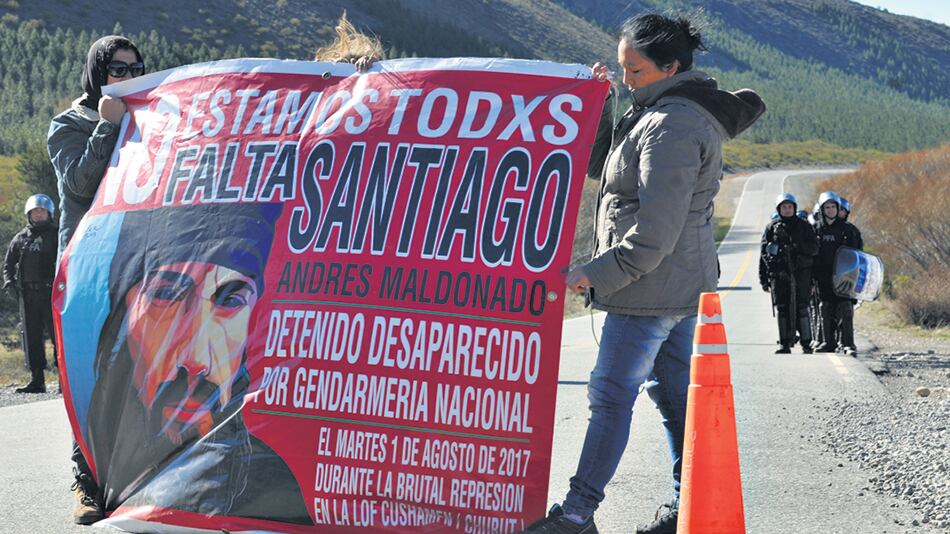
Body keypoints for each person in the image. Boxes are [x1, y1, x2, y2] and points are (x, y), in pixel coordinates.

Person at [526, 13, 765, 534]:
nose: (625, 77)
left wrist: (596, 273)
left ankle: (576, 514)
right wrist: (605, 100)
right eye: (621, 68)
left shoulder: (671, 127)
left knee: (612, 397)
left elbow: (656, 232)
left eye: (632, 70)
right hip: (678, 284)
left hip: (648, 287)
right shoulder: (658, 112)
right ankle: (687, 506)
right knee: (676, 394)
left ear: (670, 66)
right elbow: (607, 172)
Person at [83, 203, 311, 525]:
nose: (197, 361)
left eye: (230, 300)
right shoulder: (103, 452)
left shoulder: (276, 488)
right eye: (165, 296)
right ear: (125, 311)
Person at [47, 34, 144, 525]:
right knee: (89, 379)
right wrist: (107, 127)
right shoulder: (68, 125)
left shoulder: (145, 122)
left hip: (134, 265)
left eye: (134, 68)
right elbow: (81, 184)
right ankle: (86, 487)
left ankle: (129, 483)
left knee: (131, 377)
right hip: (85, 267)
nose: (125, 77)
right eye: (116, 68)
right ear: (96, 72)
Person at [3, 194, 58, 393]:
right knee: (32, 338)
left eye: (42, 211)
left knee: (57, 337)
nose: (39, 214)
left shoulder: (57, 235)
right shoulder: (20, 238)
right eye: (35, 211)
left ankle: (64, 382)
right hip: (28, 296)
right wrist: (9, 282)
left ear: (49, 213)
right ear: (29, 213)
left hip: (52, 294)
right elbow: (8, 264)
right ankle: (37, 380)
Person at [758, 193, 818, 354]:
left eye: (789, 206)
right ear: (779, 209)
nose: (787, 210)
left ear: (794, 208)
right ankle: (784, 343)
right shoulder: (772, 227)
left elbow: (814, 248)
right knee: (782, 308)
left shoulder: (804, 226)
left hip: (801, 274)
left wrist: (796, 247)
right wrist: (764, 278)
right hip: (780, 274)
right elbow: (764, 253)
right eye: (784, 207)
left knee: (802, 307)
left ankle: (806, 342)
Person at [812, 192, 862, 355]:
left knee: (845, 308)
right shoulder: (815, 230)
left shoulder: (849, 230)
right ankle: (828, 342)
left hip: (844, 276)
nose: (831, 210)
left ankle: (848, 344)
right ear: (822, 209)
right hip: (823, 276)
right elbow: (809, 253)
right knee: (825, 307)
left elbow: (858, 255)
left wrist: (855, 277)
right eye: (827, 207)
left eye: (834, 206)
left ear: (839, 208)